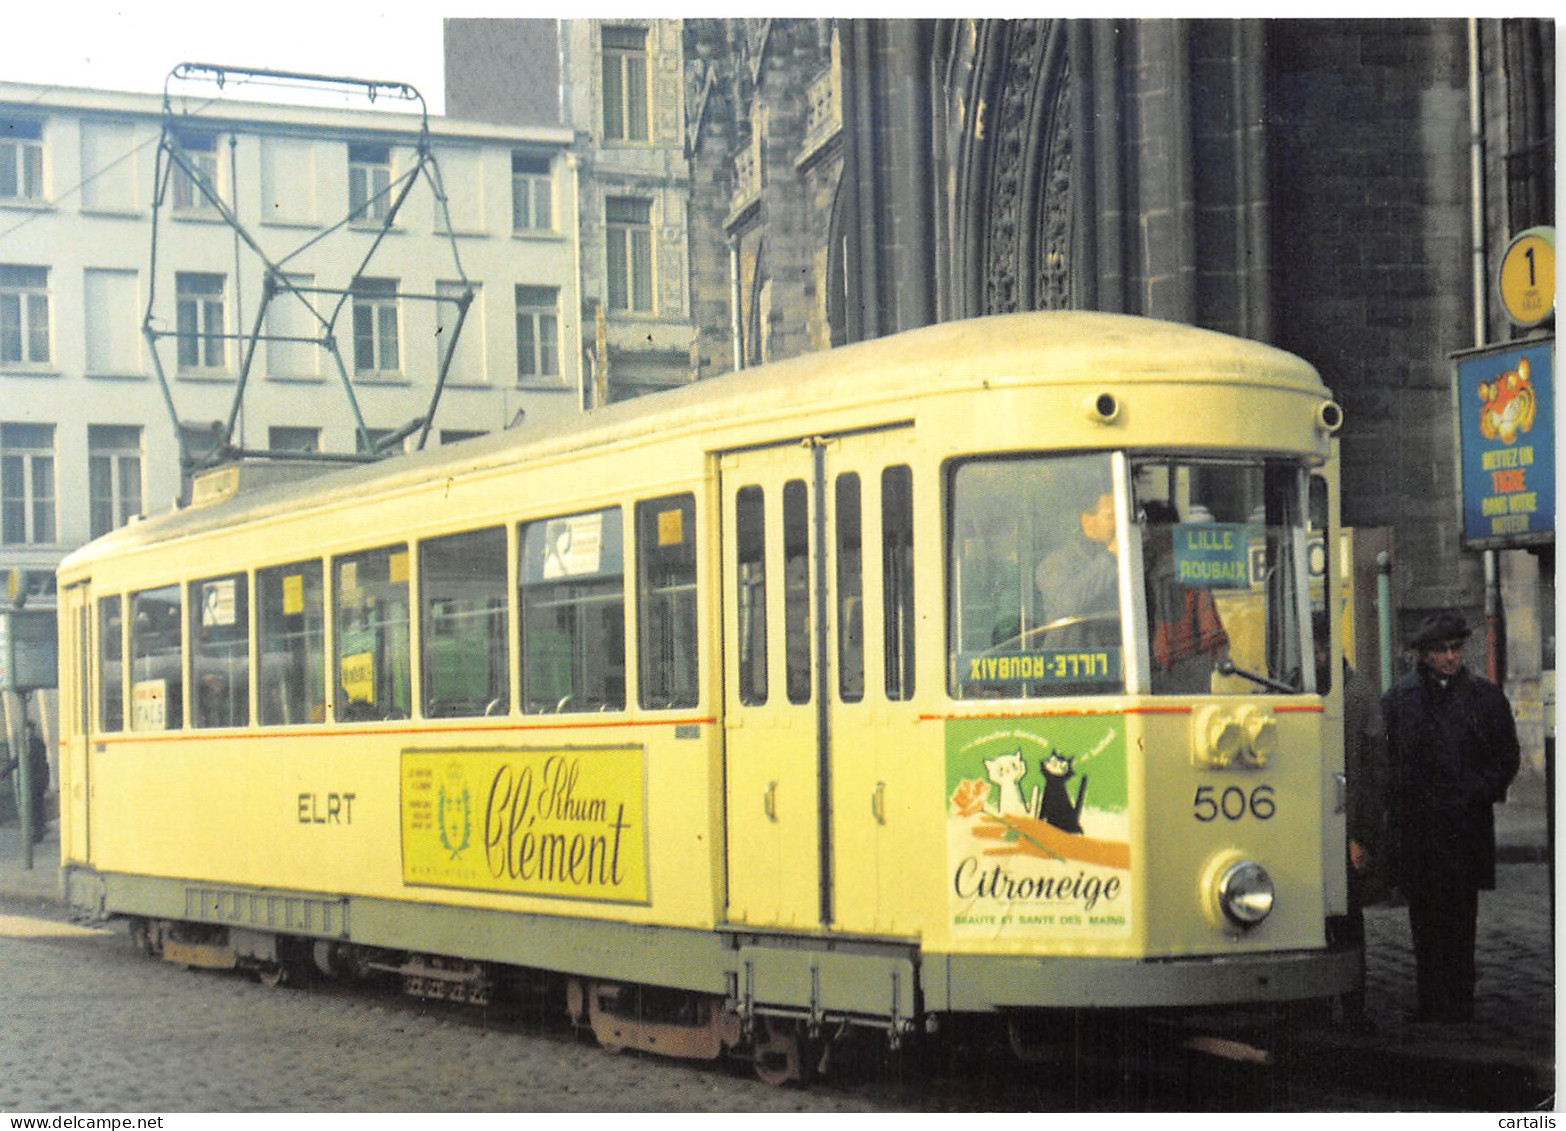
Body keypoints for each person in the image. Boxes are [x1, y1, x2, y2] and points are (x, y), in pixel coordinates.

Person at [1382, 610, 1519, 1023]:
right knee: (1423, 919)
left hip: (1464, 828)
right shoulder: (1399, 700)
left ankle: (1460, 1002)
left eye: (1455, 649)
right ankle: (1429, 1001)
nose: (1450, 657)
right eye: (1441, 651)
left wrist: (1478, 791)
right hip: (1419, 830)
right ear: (1424, 656)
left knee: (1461, 919)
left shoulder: (1485, 698)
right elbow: (1386, 763)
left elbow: (1506, 758)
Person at [1315, 611, 1386, 1029]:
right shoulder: (1294, 682)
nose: (1320, 655)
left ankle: (1353, 1007)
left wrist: (1361, 834)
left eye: (1324, 647)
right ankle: (1319, 1005)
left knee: (1347, 921)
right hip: (1309, 827)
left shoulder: (1358, 695)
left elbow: (1374, 773)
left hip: (1346, 824)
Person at [1139, 500, 1228, 692]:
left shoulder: (1182, 577)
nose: (1144, 539)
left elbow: (1211, 639)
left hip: (1176, 682)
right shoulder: (1140, 577)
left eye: (1147, 530)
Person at [1033, 490, 1121, 647]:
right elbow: (1068, 602)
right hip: (1075, 662)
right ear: (1087, 520)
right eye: (1112, 517)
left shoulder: (1131, 560)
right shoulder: (1057, 563)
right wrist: (1111, 556)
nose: (1120, 525)